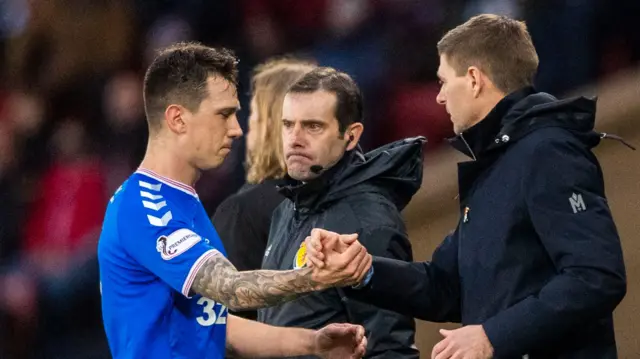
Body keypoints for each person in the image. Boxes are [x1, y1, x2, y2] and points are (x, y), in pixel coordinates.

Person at [306, 14, 628, 359]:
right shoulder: (497, 162)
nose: (440, 97)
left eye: (444, 81)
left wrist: (492, 336)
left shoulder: (547, 151)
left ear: (474, 79)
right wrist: (364, 269)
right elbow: (444, 287)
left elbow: (596, 275)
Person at [97, 42, 370, 359]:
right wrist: (313, 276)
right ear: (178, 119)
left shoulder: (181, 202)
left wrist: (312, 343)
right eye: (224, 115)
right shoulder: (146, 207)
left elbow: (215, 325)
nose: (236, 130)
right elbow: (230, 288)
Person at [257, 66, 423, 359]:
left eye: (313, 126)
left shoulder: (369, 222)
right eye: (287, 124)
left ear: (351, 136)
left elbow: (390, 349)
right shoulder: (285, 211)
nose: (294, 139)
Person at [211, 58, 316, 321]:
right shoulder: (356, 197)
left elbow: (225, 326)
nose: (244, 129)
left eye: (254, 115)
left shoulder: (242, 213)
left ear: (271, 126)